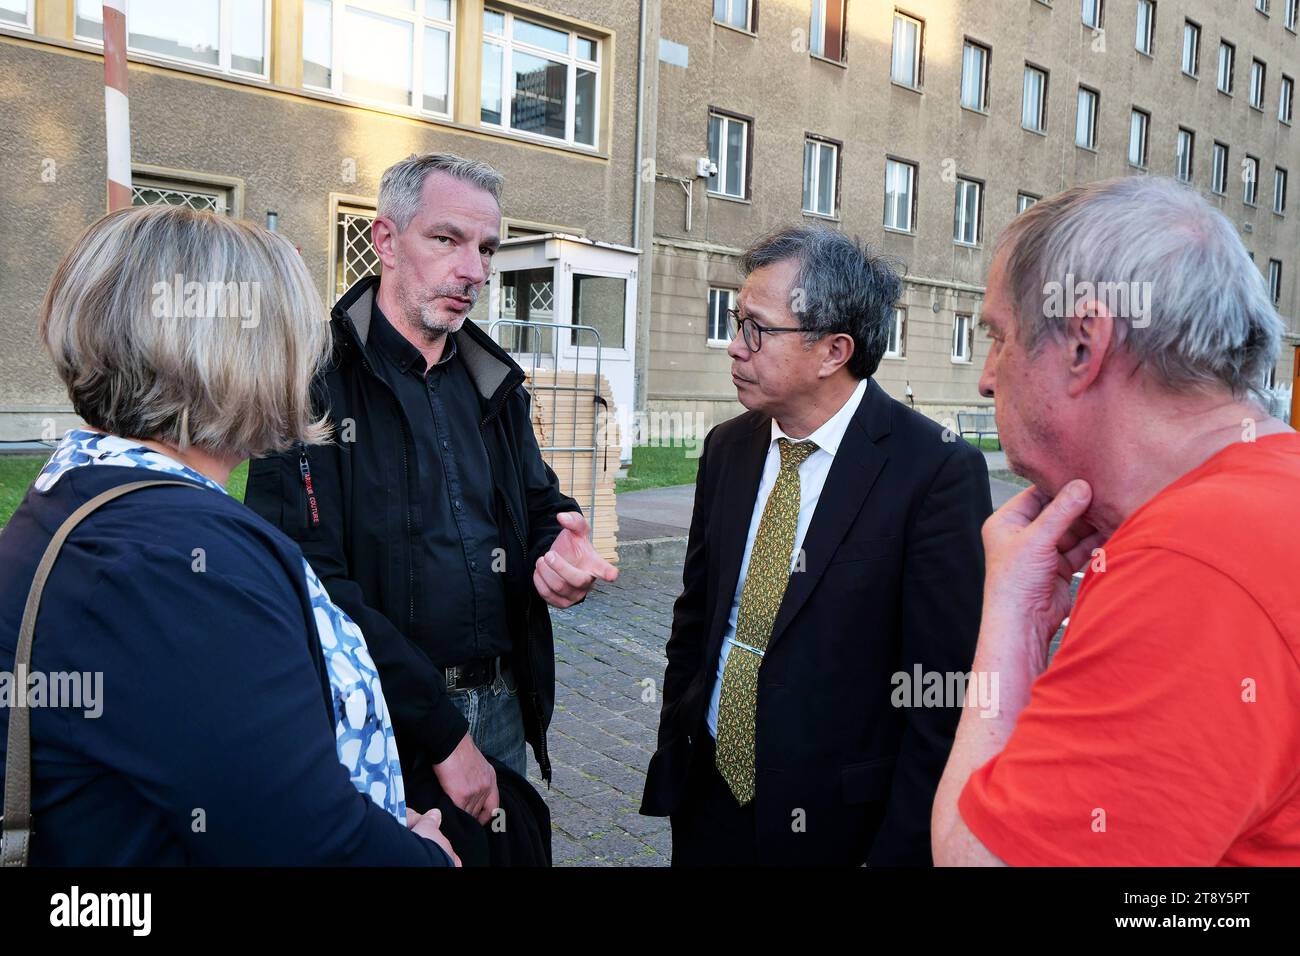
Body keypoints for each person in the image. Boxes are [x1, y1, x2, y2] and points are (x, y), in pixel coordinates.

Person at [0, 205, 457, 865]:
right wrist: (427, 858)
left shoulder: (85, 498)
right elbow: (308, 850)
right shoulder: (177, 565)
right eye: (297, 341)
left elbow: (241, 784)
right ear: (243, 354)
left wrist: (367, 812)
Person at [932, 176, 1300, 866]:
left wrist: (1014, 611)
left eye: (999, 337)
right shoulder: (1270, 491)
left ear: (1083, 344)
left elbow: (977, 859)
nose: (986, 377)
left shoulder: (1194, 562)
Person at [246, 153, 616, 828]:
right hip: (372, 716)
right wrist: (442, 731)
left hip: (503, 704)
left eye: (486, 249)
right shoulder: (309, 380)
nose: (473, 270)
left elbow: (537, 504)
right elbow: (307, 581)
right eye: (446, 239)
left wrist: (556, 555)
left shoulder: (491, 379)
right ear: (386, 240)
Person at [640, 225, 991, 865]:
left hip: (837, 826)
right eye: (735, 321)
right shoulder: (727, 448)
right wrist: (680, 744)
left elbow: (941, 696)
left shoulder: (936, 473)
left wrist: (899, 852)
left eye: (756, 328)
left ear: (833, 351)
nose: (733, 347)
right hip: (710, 796)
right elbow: (696, 618)